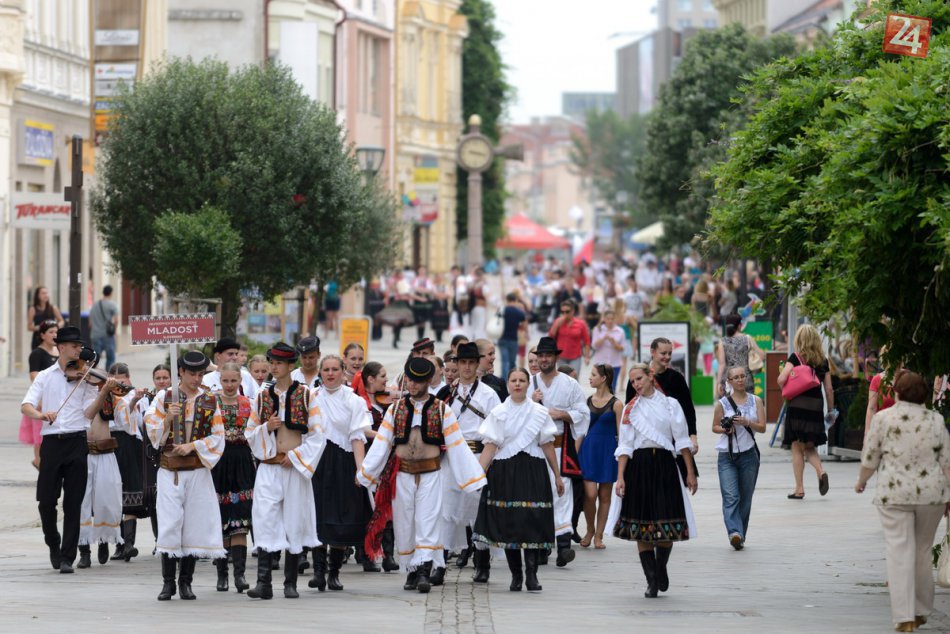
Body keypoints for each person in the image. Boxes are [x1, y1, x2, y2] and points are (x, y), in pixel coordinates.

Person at [358, 358, 486, 594]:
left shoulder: (442, 409)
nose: (412, 385)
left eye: (417, 381)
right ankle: (412, 570)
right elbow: (383, 443)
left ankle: (425, 570)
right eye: (409, 379)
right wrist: (366, 472)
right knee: (405, 524)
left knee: (428, 520)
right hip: (403, 474)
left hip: (431, 474)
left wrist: (473, 479)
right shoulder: (396, 409)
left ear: (427, 381)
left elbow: (457, 446)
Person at [855, 371, 950, 632]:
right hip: (931, 495)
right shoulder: (936, 420)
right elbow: (947, 463)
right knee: (922, 550)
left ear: (896, 392)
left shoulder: (883, 419)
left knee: (898, 551)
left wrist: (862, 480)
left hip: (894, 493)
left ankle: (904, 616)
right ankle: (921, 609)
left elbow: (871, 454)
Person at [21, 327, 109, 573]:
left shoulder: (85, 377)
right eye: (74, 346)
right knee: (46, 502)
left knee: (74, 502)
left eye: (80, 347)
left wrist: (103, 392)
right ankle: (53, 544)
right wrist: (41, 415)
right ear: (61, 348)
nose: (79, 351)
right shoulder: (46, 376)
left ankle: (67, 557)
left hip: (76, 442)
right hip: (51, 442)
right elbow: (26, 405)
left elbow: (89, 414)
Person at [144, 351, 227, 601]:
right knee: (170, 524)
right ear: (180, 372)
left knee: (193, 525)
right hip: (170, 471)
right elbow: (151, 430)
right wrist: (168, 418)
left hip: (197, 470)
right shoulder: (164, 397)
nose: (196, 378)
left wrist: (193, 446)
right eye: (192, 373)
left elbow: (218, 436)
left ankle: (186, 582)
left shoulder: (210, 399)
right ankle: (168, 583)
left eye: (201, 374)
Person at [244, 343, 324, 600]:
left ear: (292, 366)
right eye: (272, 362)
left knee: (293, 520)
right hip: (269, 467)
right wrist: (266, 427)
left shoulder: (306, 395)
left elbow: (317, 434)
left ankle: (290, 583)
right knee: (265, 518)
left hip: (294, 467)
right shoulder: (261, 396)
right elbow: (249, 432)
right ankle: (263, 582)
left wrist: (297, 457)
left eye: (279, 363)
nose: (273, 367)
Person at [473, 368, 563, 592]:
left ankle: (532, 575)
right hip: (505, 470)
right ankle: (516, 575)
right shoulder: (499, 411)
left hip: (532, 468)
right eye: (513, 380)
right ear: (508, 384)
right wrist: (477, 476)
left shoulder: (539, 412)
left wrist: (557, 475)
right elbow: (490, 447)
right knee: (509, 522)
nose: (518, 384)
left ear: (527, 384)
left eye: (522, 380)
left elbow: (547, 444)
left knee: (531, 520)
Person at [613, 362, 698, 598]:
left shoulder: (671, 405)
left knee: (666, 523)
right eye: (632, 381)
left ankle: (661, 567)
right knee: (641, 526)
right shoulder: (631, 409)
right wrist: (620, 477)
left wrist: (689, 472)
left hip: (664, 466)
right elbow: (625, 446)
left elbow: (681, 441)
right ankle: (651, 580)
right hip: (639, 467)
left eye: (639, 379)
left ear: (650, 377)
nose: (636, 384)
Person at [436, 342, 501, 581]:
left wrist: (484, 465)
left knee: (476, 510)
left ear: (477, 365)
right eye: (462, 362)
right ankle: (439, 564)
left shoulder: (489, 395)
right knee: (445, 509)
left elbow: (495, 432)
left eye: (471, 363)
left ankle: (482, 563)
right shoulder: (446, 393)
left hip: (476, 456)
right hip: (451, 457)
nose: (466, 367)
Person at [311, 355, 375, 585]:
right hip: (317, 461)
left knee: (340, 516)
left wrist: (360, 470)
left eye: (335, 369)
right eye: (326, 369)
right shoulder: (311, 398)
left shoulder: (354, 400)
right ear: (320, 372)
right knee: (318, 515)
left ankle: (334, 572)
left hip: (343, 460)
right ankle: (318, 571)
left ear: (343, 371)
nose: (330, 373)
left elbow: (357, 436)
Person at [529, 336, 588, 567]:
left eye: (548, 355)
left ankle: (563, 547)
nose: (544, 359)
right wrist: (530, 402)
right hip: (535, 448)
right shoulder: (528, 383)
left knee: (562, 494)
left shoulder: (569, 384)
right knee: (539, 495)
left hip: (560, 446)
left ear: (555, 357)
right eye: (541, 356)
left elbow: (583, 413)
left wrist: (561, 414)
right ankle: (542, 546)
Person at [209, 363, 256, 593]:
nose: (229, 385)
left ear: (240, 381)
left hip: (241, 462)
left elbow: (256, 432)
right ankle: (222, 575)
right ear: (219, 379)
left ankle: (240, 575)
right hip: (218, 462)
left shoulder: (249, 404)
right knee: (220, 518)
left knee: (240, 520)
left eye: (233, 381)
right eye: (225, 381)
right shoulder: (211, 402)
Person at [627, 338, 700, 482]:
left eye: (670, 353)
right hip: (645, 440)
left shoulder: (676, 378)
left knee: (675, 482)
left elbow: (688, 409)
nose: (667, 357)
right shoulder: (637, 377)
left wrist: (692, 435)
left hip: (672, 437)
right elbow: (629, 409)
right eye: (663, 353)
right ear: (652, 352)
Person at [77, 361, 127, 568]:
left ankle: (104, 540)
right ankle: (84, 549)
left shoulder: (111, 397)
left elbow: (125, 421)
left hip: (106, 453)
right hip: (84, 454)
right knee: (82, 503)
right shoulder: (76, 396)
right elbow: (88, 414)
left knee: (107, 501)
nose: (94, 382)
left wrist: (128, 398)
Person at [778, 324, 834, 499]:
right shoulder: (823, 360)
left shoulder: (795, 357)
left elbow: (781, 379)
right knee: (809, 446)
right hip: (815, 407)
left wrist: (788, 380)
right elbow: (829, 389)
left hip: (797, 407)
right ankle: (820, 471)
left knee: (796, 446)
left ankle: (799, 488)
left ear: (799, 340)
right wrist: (831, 410)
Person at [712, 366, 765, 550]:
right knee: (730, 496)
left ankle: (740, 535)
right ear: (730, 382)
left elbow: (763, 427)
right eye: (736, 377)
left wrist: (747, 422)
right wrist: (726, 428)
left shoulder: (756, 401)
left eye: (743, 376)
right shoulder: (722, 404)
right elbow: (715, 427)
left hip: (749, 455)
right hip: (727, 455)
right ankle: (734, 532)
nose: (740, 380)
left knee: (745, 498)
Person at [577, 364, 621, 550]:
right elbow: (580, 430)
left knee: (604, 495)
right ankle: (589, 529)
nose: (590, 378)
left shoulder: (617, 404)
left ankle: (598, 535)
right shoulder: (587, 401)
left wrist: (622, 458)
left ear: (603, 378)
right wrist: (574, 454)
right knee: (590, 494)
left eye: (593, 375)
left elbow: (622, 433)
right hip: (588, 450)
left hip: (608, 451)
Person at [110, 363, 149, 563]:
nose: (120, 384)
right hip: (111, 444)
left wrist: (134, 399)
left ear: (129, 378)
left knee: (131, 492)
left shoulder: (136, 395)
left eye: (123, 380)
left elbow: (134, 421)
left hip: (130, 444)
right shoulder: (105, 395)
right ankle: (118, 544)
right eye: (116, 380)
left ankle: (129, 544)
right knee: (115, 495)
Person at [21, 320, 59, 470]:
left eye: (56, 332)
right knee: (40, 437)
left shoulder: (60, 351)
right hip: (41, 401)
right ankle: (39, 461)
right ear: (42, 335)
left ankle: (46, 464)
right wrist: (41, 399)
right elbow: (34, 377)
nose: (54, 335)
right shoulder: (37, 354)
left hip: (57, 399)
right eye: (50, 332)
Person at [716, 314, 765, 398]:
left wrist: (719, 383)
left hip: (729, 381)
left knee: (730, 409)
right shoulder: (747, 338)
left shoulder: (723, 341)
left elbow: (722, 364)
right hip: (745, 379)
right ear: (739, 325)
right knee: (748, 407)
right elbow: (762, 356)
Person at [548, 300, 590, 375]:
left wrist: (587, 357)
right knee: (562, 380)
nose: (565, 314)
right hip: (561, 356)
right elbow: (551, 337)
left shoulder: (580, 324)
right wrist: (556, 325)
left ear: (573, 311)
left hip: (575, 357)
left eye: (567, 311)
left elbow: (586, 341)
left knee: (574, 379)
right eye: (562, 312)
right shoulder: (558, 321)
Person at [865, 350, 899, 435]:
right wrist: (867, 434)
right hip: (882, 429)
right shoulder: (877, 379)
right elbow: (872, 408)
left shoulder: (907, 377)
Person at [591, 311, 625, 392]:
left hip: (615, 364)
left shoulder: (620, 331)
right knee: (600, 387)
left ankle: (612, 404)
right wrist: (603, 339)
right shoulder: (598, 329)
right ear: (604, 319)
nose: (610, 321)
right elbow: (594, 346)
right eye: (608, 319)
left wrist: (614, 342)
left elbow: (622, 348)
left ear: (615, 319)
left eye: (612, 319)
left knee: (612, 387)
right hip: (600, 364)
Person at [90, 285, 119, 371]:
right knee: (110, 358)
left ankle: (92, 375)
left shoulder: (95, 305)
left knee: (95, 358)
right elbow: (116, 320)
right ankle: (108, 376)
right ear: (111, 293)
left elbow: (90, 322)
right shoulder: (112, 305)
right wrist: (114, 330)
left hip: (95, 334)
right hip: (107, 336)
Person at [498, 292, 526, 377]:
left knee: (504, 361)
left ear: (507, 300)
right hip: (514, 339)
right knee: (512, 361)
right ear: (515, 300)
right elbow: (523, 326)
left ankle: (503, 379)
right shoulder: (519, 312)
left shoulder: (503, 310)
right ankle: (512, 377)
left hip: (502, 338)